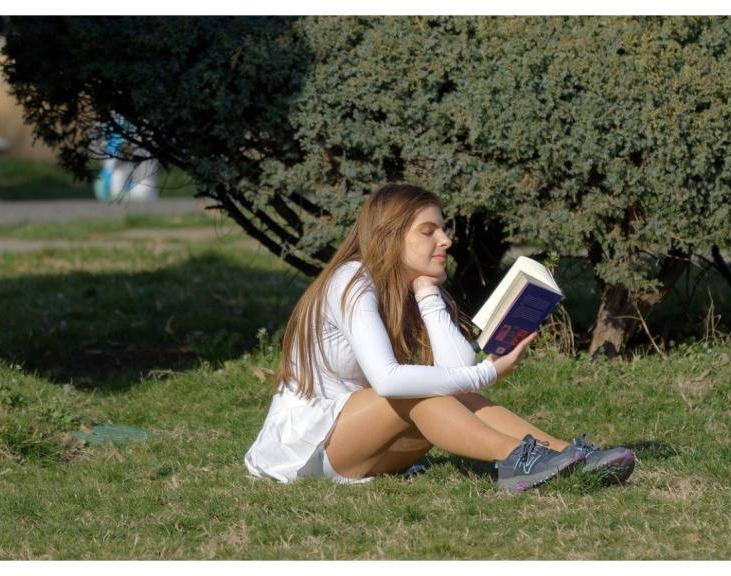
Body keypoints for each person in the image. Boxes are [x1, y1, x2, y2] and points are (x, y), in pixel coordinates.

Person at [245, 183, 635, 491]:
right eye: (428, 231)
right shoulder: (351, 280)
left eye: (443, 229)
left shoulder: (403, 289)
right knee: (412, 390)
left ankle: (567, 456)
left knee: (445, 389)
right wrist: (487, 374)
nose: (445, 240)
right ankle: (517, 458)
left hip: (365, 448)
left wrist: (427, 293)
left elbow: (455, 369)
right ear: (390, 236)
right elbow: (387, 380)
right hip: (308, 452)